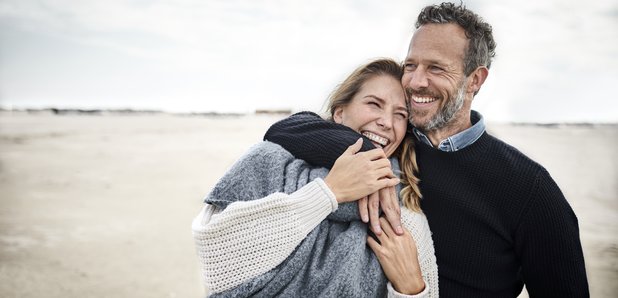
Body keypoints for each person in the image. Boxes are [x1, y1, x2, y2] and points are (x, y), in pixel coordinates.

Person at [264, 2, 589, 297]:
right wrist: (367, 155)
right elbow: (287, 128)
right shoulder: (392, 141)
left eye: (436, 68)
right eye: (411, 65)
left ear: (475, 79)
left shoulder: (529, 189)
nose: (416, 81)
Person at [192, 59, 439, 297]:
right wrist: (328, 193)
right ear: (340, 113)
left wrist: (412, 289)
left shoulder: (403, 208)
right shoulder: (269, 159)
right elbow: (215, 260)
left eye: (400, 115)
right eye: (374, 104)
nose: (386, 122)